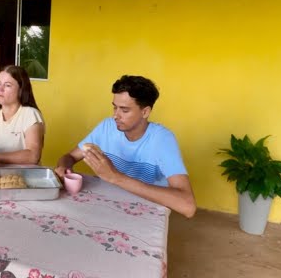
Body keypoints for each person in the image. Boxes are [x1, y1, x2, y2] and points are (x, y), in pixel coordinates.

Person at [53, 75, 196, 218]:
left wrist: (115, 177)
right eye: (114, 107)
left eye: (124, 110)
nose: (116, 115)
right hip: (109, 204)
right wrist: (64, 168)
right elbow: (70, 156)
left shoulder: (162, 139)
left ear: (145, 112)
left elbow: (188, 206)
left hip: (146, 210)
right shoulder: (107, 127)